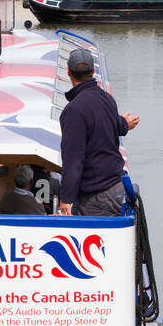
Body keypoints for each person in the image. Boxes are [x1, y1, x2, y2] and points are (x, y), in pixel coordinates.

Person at [58, 47, 139, 216]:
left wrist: (66, 199)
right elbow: (109, 124)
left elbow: (73, 158)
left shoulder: (74, 110)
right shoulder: (106, 98)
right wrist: (124, 123)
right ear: (93, 70)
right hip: (118, 187)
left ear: (68, 72)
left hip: (96, 197)